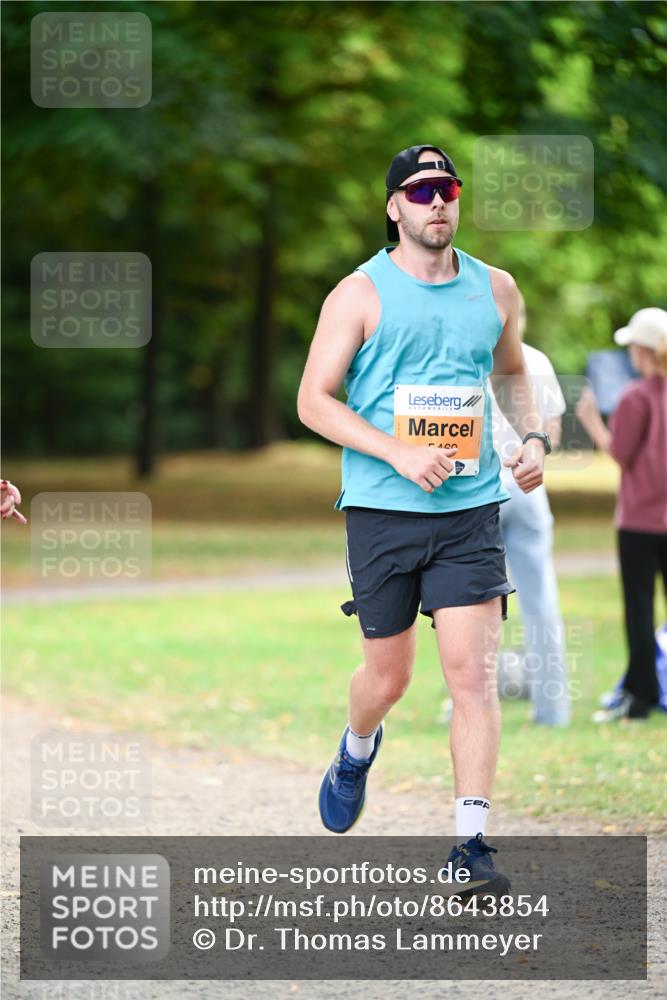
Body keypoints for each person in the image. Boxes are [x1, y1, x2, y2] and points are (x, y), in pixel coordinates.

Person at [297, 145, 550, 894]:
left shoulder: (495, 288)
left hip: (470, 509)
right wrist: (397, 453)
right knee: (389, 677)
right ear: (393, 207)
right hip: (382, 510)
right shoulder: (357, 293)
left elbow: (511, 374)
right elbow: (313, 401)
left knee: (470, 677)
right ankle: (356, 746)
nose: (437, 201)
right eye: (420, 190)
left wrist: (530, 438)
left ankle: (469, 846)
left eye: (448, 188)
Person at [575, 307, 667, 721]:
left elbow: (620, 453)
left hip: (641, 522)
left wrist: (592, 421)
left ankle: (641, 696)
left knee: (640, 608)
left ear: (644, 351)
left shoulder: (636, 397)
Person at [491, 292, 571, 726]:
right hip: (528, 488)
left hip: (483, 488)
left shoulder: (473, 356)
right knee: (541, 599)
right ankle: (553, 710)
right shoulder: (537, 359)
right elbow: (550, 430)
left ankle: (471, 702)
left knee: (473, 603)